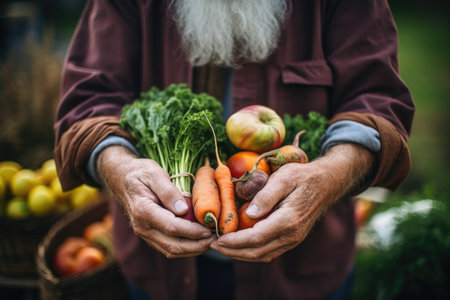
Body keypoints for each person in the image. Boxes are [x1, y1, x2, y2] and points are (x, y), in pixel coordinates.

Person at [53, 0, 415, 299]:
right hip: (157, 273)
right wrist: (121, 170)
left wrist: (328, 175)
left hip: (301, 273)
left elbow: (378, 102)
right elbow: (88, 102)